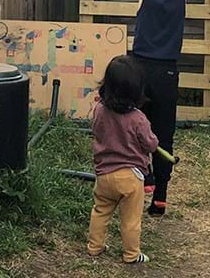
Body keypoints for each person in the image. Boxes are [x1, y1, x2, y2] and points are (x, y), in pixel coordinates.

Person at [120, 0, 193, 216]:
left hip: (138, 70)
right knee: (165, 132)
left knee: (137, 126)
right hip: (166, 74)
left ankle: (145, 177)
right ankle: (160, 195)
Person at [87, 55, 158, 264]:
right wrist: (154, 140)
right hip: (130, 177)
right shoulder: (137, 118)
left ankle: (95, 247)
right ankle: (131, 254)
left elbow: (96, 131)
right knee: (131, 220)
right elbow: (150, 144)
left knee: (100, 211)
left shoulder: (99, 110)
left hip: (104, 174)